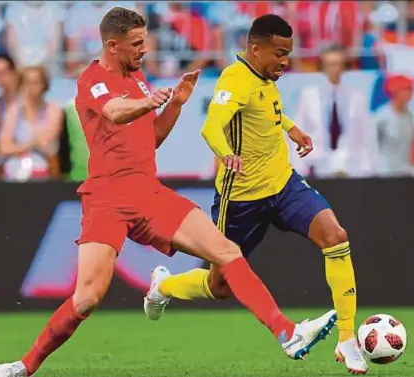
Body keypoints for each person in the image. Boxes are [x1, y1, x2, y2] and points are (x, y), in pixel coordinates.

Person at [0, 7, 336, 377]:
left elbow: (148, 139)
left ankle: (287, 332)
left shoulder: (138, 79)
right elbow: (117, 112)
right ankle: (24, 367)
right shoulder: (91, 79)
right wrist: (148, 102)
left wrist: (177, 105)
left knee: (227, 252)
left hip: (149, 192)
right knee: (86, 299)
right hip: (107, 197)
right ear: (112, 45)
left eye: (145, 41)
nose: (144, 49)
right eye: (136, 44)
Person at [144, 14, 367, 375]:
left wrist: (292, 129)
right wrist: (225, 153)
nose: (285, 62)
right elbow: (211, 126)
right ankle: (164, 285)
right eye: (279, 53)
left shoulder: (264, 77)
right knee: (219, 286)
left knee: (335, 237)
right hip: (241, 199)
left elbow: (266, 111)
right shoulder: (234, 79)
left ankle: (347, 338)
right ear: (255, 48)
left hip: (282, 184)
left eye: (288, 54)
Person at [291, 44, 376, 178]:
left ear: (343, 66)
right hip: (316, 165)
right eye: (329, 64)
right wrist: (298, 170)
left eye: (338, 64)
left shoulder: (356, 97)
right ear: (323, 66)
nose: (334, 69)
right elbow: (297, 132)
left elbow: (366, 135)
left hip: (351, 167)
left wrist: (368, 169)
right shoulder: (308, 96)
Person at [0, 66, 63, 181]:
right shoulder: (13, 110)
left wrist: (30, 111)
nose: (30, 87)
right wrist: (28, 146)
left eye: (35, 82)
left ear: (44, 85)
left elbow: (45, 144)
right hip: (15, 170)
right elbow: (3, 147)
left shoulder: (53, 109)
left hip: (43, 168)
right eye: (26, 83)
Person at [374, 75, 414, 177]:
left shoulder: (410, 117)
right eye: (405, 89)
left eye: (410, 89)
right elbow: (371, 145)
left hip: (406, 173)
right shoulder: (381, 117)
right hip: (385, 173)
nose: (410, 93)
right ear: (395, 92)